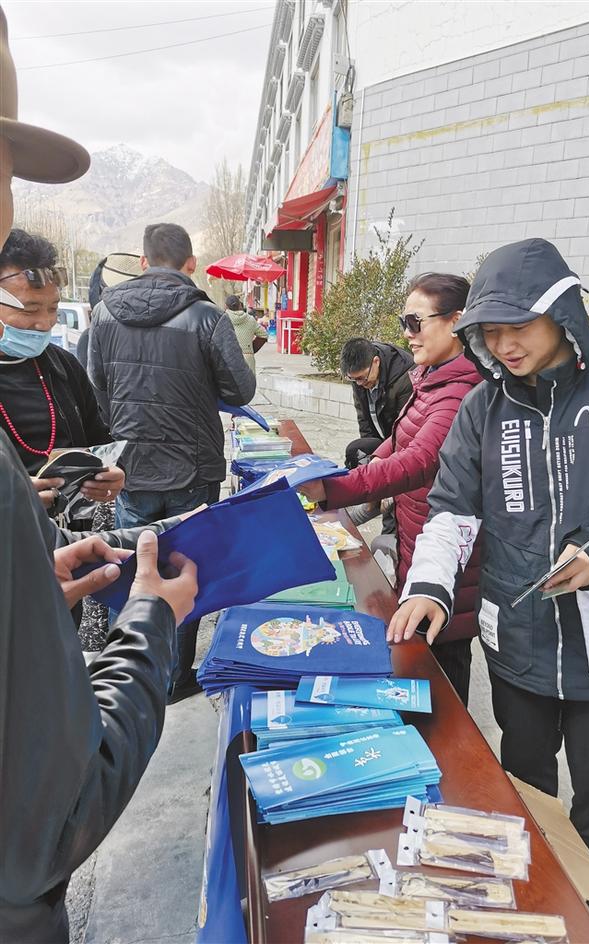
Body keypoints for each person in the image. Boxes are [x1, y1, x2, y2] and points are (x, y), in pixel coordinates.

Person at [388, 238, 589, 901]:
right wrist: (430, 586)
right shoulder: (484, 408)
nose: (504, 345)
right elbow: (452, 510)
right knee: (526, 786)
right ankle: (533, 904)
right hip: (520, 639)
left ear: (561, 314)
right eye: (490, 331)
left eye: (519, 326)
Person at [0, 10, 199, 941]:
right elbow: (52, 819)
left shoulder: (72, 354)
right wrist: (153, 623)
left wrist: (31, 574)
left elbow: (95, 430)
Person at [88, 222, 256, 701]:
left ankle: (128, 675)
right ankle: (176, 676)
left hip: (131, 469)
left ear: (143, 261)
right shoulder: (207, 317)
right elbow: (241, 390)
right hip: (194, 469)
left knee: (132, 566)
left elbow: (97, 390)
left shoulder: (103, 314)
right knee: (186, 570)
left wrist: (127, 431)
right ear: (191, 264)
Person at [300, 274, 483, 703]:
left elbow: (419, 461)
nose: (407, 334)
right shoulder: (431, 377)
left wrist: (333, 488)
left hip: (447, 556)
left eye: (416, 322)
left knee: (443, 666)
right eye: (404, 322)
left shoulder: (460, 392)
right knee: (423, 659)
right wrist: (363, 466)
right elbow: (399, 441)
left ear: (457, 321)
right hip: (415, 539)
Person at [0, 229, 124, 512]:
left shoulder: (64, 367)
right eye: (30, 310)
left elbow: (99, 441)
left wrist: (113, 475)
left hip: (69, 531)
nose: (45, 323)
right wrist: (10, 499)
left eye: (53, 308)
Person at [340, 337, 413, 470]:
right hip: (382, 440)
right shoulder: (360, 377)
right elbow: (363, 419)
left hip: (403, 447)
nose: (359, 384)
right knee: (355, 450)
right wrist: (369, 455)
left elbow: (405, 431)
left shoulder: (405, 377)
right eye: (353, 379)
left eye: (362, 378)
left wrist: (382, 459)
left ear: (376, 362)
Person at [224, 292, 267, 375]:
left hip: (228, 359)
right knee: (248, 382)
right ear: (240, 305)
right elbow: (264, 335)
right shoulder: (250, 319)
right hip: (247, 359)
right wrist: (251, 349)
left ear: (226, 306)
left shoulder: (222, 320)